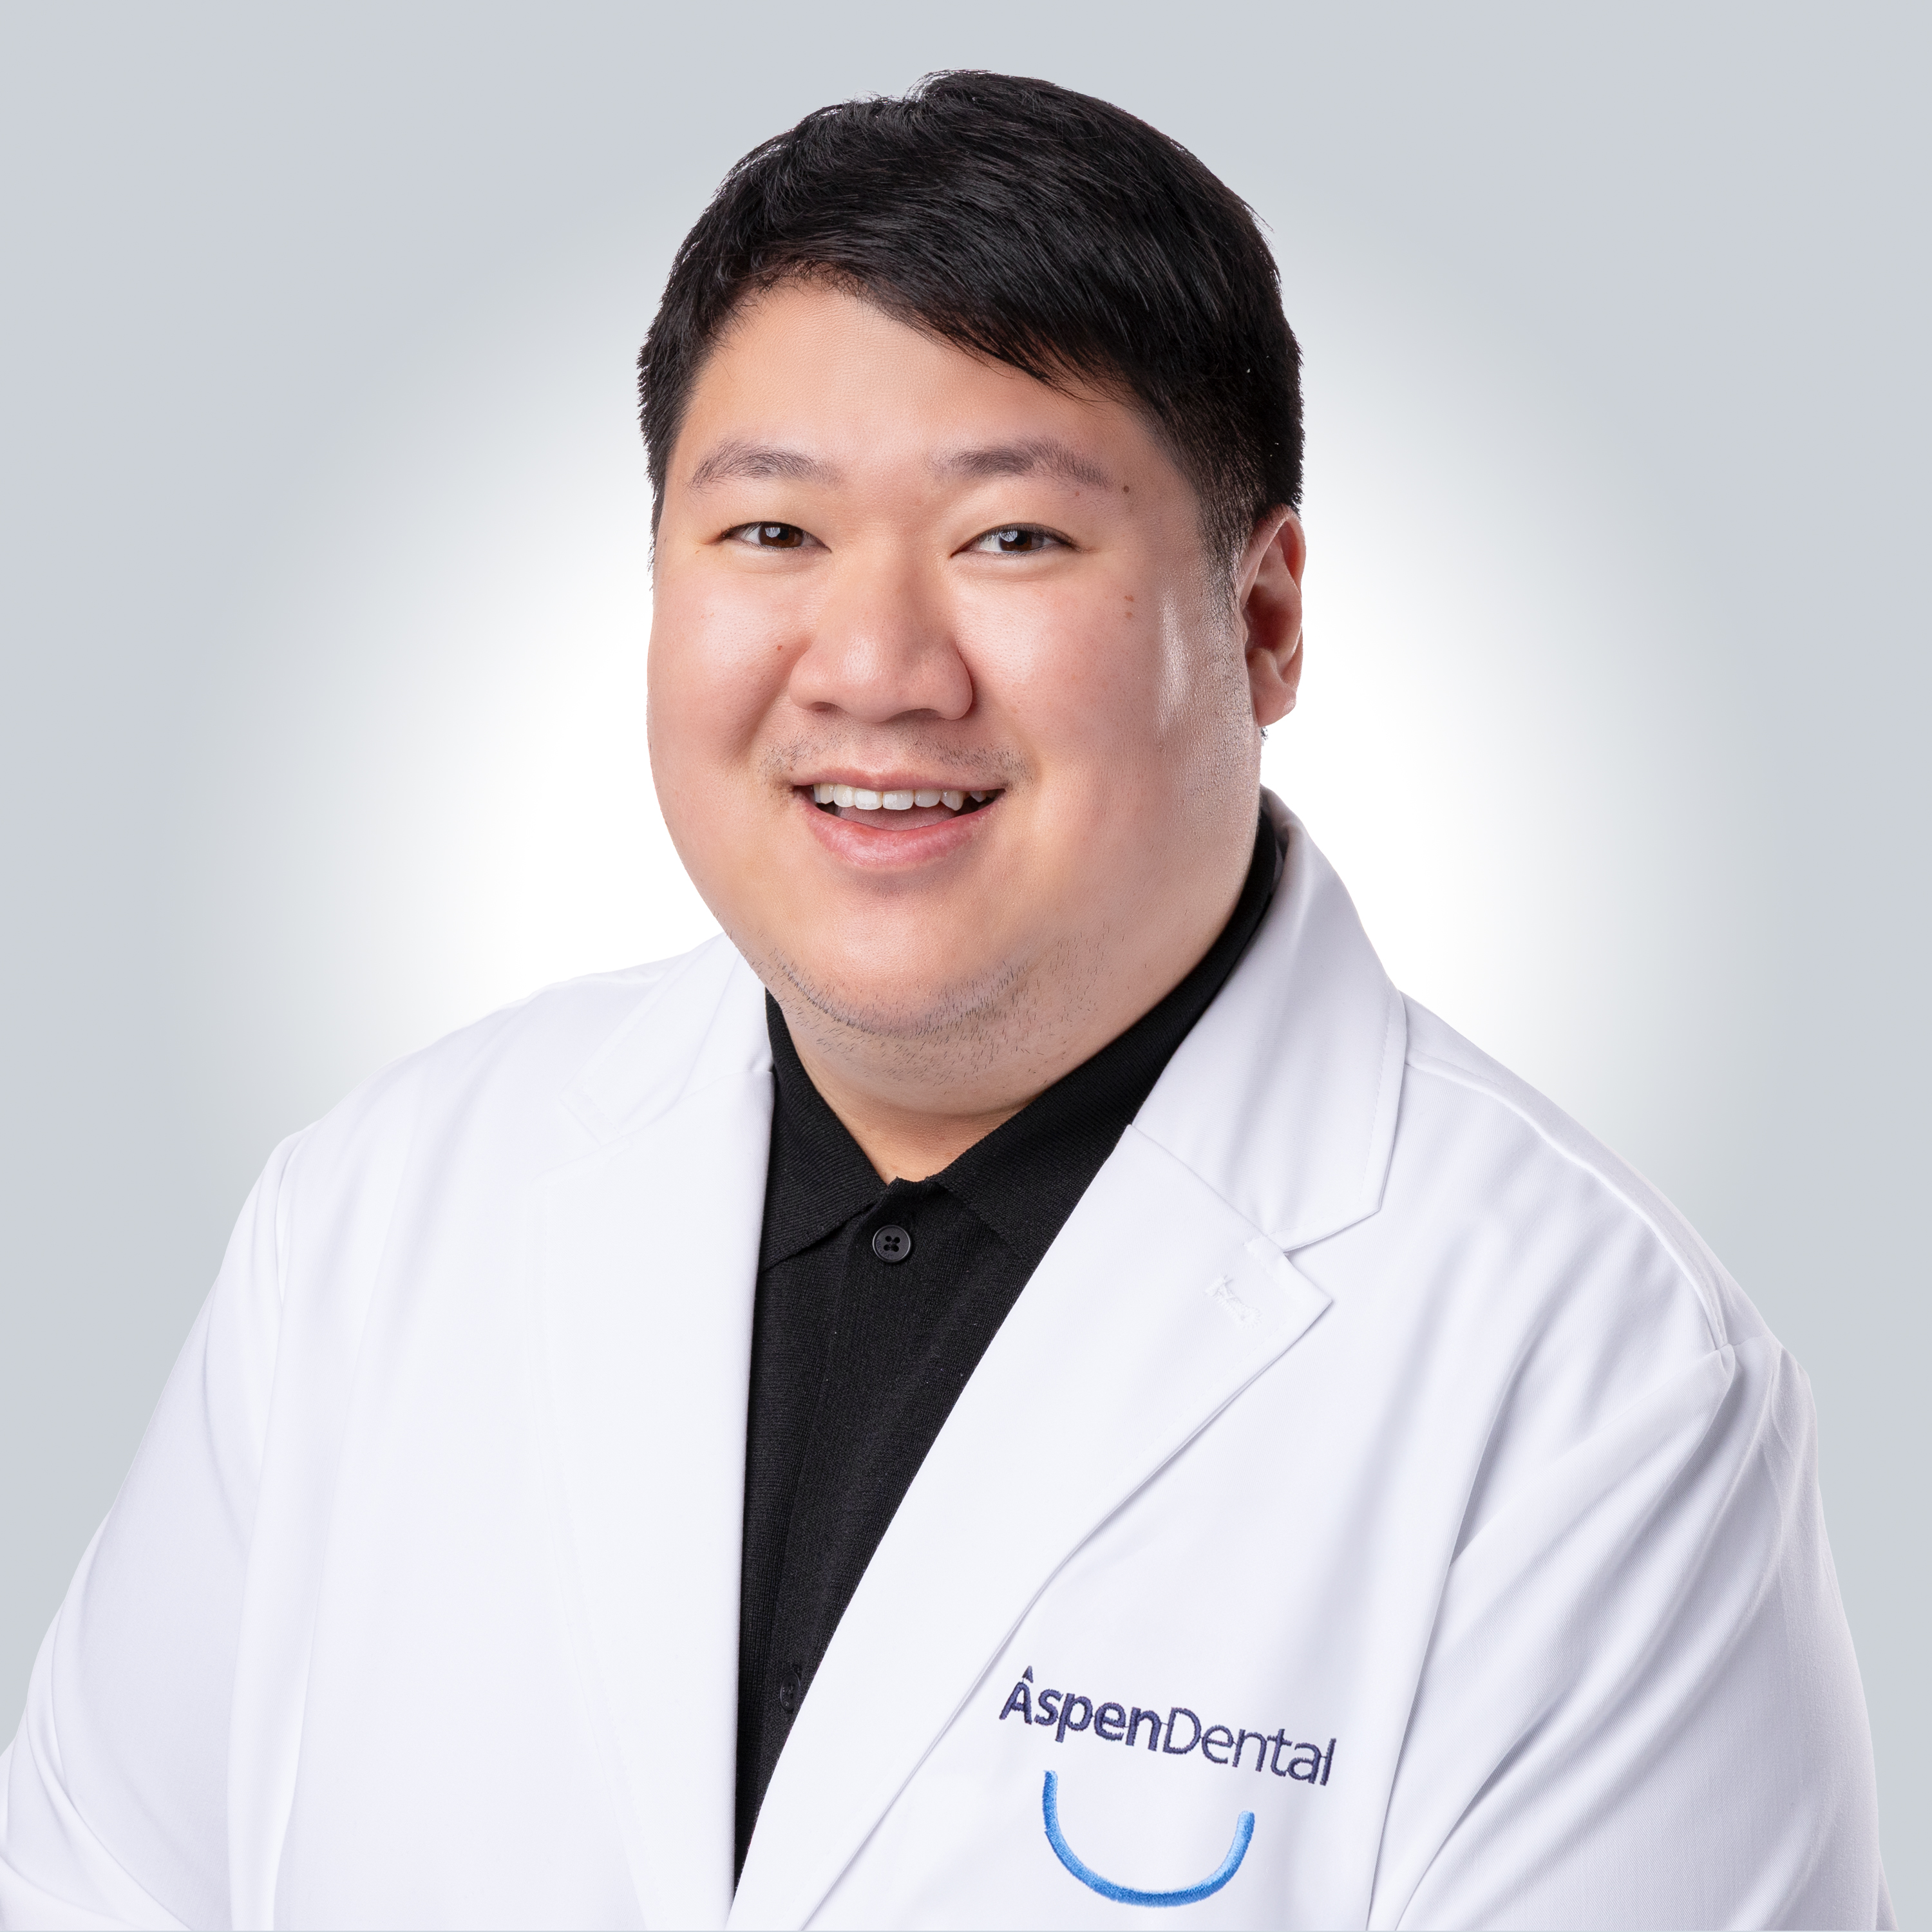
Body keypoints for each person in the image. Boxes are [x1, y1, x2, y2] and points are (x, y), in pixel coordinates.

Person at [0, 70, 1889, 1931]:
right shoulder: (369, 1224)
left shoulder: (1599, 1393)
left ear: (1264, 617)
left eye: (1012, 538)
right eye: (771, 533)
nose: (879, 668)